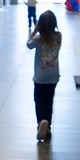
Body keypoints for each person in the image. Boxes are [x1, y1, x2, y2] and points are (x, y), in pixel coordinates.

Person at [27, 10, 62, 142]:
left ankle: (41, 123)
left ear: (40, 25)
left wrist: (35, 30)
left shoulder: (38, 40)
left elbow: (28, 44)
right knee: (49, 99)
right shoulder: (59, 36)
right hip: (53, 76)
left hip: (40, 77)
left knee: (39, 100)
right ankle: (47, 125)